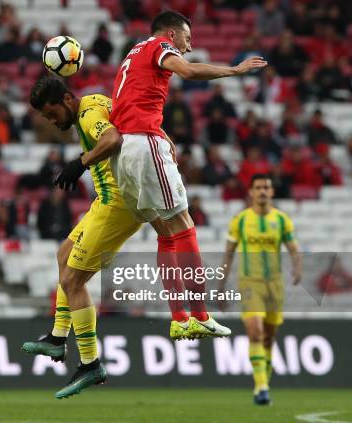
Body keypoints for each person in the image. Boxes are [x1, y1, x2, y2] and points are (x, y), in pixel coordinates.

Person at [103, 11, 263, 339]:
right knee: (185, 225)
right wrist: (235, 70)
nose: (188, 47)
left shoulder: (132, 54)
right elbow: (188, 72)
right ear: (173, 34)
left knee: (165, 231)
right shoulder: (161, 45)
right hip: (143, 144)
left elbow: (133, 103)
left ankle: (179, 319)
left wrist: (162, 133)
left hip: (123, 152)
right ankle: (201, 315)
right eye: (187, 40)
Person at [24, 77, 180, 399]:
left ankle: (90, 363)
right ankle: (56, 338)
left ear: (67, 99)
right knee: (63, 255)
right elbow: (129, 122)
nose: (51, 121)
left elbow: (112, 140)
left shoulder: (86, 116)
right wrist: (162, 137)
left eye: (51, 113)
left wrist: (80, 163)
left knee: (74, 280)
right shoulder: (98, 100)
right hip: (108, 199)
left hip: (118, 204)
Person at [219, 174, 301, 406]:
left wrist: (297, 268)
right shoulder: (241, 220)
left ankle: (264, 381)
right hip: (249, 283)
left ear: (272, 192)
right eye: (259, 188)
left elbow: (294, 249)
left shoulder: (282, 220)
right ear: (251, 192)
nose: (263, 191)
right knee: (255, 332)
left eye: (267, 187)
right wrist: (222, 286)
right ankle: (261, 386)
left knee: (269, 337)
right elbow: (228, 254)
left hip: (274, 285)